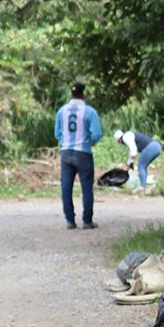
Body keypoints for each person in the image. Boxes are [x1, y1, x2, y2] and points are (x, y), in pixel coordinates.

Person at [55, 82, 103, 229]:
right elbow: (97, 133)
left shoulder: (61, 111)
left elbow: (57, 133)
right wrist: (91, 141)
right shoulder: (89, 111)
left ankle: (70, 220)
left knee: (66, 187)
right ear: (84, 94)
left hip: (65, 152)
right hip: (83, 152)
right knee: (87, 187)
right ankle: (87, 221)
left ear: (71, 94)